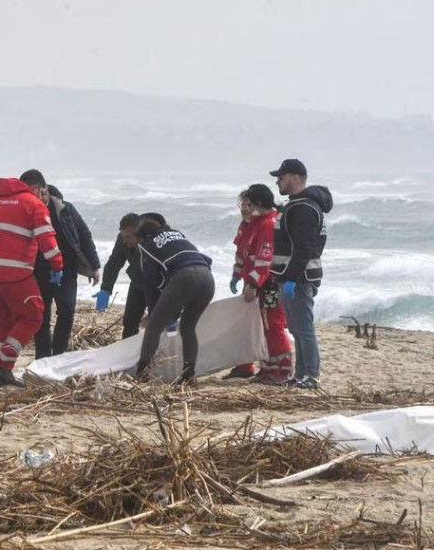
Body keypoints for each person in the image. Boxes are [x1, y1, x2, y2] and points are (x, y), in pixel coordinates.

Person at [0, 177, 64, 388]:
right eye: (42, 191)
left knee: (4, 320)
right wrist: (57, 266)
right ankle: (4, 365)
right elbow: (46, 238)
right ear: (35, 187)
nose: (43, 196)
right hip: (15, 274)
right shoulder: (33, 204)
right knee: (34, 315)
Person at [22, 170, 101, 359]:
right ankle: (42, 357)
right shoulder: (26, 210)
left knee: (66, 311)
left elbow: (84, 235)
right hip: (37, 271)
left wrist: (95, 266)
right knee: (41, 316)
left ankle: (58, 354)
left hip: (66, 269)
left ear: (44, 190)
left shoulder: (65, 209)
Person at [269, 159, 333, 390]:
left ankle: (311, 376)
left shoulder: (304, 208)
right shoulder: (296, 206)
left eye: (281, 177)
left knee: (304, 328)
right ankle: (300, 374)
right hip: (294, 276)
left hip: (299, 278)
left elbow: (304, 247)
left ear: (295, 178)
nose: (278, 181)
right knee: (296, 328)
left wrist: (292, 279)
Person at [222, 184, 293, 384]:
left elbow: (264, 258)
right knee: (255, 324)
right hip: (254, 281)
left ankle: (281, 369)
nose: (245, 208)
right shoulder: (252, 223)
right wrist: (238, 275)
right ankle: (261, 367)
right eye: (243, 204)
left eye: (249, 203)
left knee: (273, 324)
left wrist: (253, 283)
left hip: (269, 283)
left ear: (258, 203)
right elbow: (243, 252)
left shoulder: (268, 224)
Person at [134, 214, 215, 385]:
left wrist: (153, 311)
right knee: (188, 327)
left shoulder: (147, 246)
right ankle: (188, 373)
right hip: (207, 277)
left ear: (141, 237)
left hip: (185, 277)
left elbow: (151, 283)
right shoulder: (176, 234)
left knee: (153, 327)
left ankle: (142, 373)